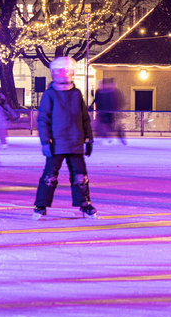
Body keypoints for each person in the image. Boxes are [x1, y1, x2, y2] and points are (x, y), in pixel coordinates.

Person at [32, 57, 97, 220]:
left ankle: (84, 203)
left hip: (75, 142)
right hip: (56, 144)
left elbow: (84, 117)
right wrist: (45, 141)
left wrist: (88, 138)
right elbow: (43, 119)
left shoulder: (76, 93)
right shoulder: (50, 94)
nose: (64, 74)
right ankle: (41, 204)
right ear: (54, 73)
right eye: (61, 71)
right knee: (49, 176)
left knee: (80, 176)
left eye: (67, 71)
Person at [94, 78, 126, 144]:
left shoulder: (114, 92)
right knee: (103, 125)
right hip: (104, 112)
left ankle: (119, 137)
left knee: (115, 125)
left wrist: (116, 109)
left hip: (112, 112)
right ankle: (105, 136)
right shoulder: (101, 92)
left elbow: (118, 101)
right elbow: (97, 101)